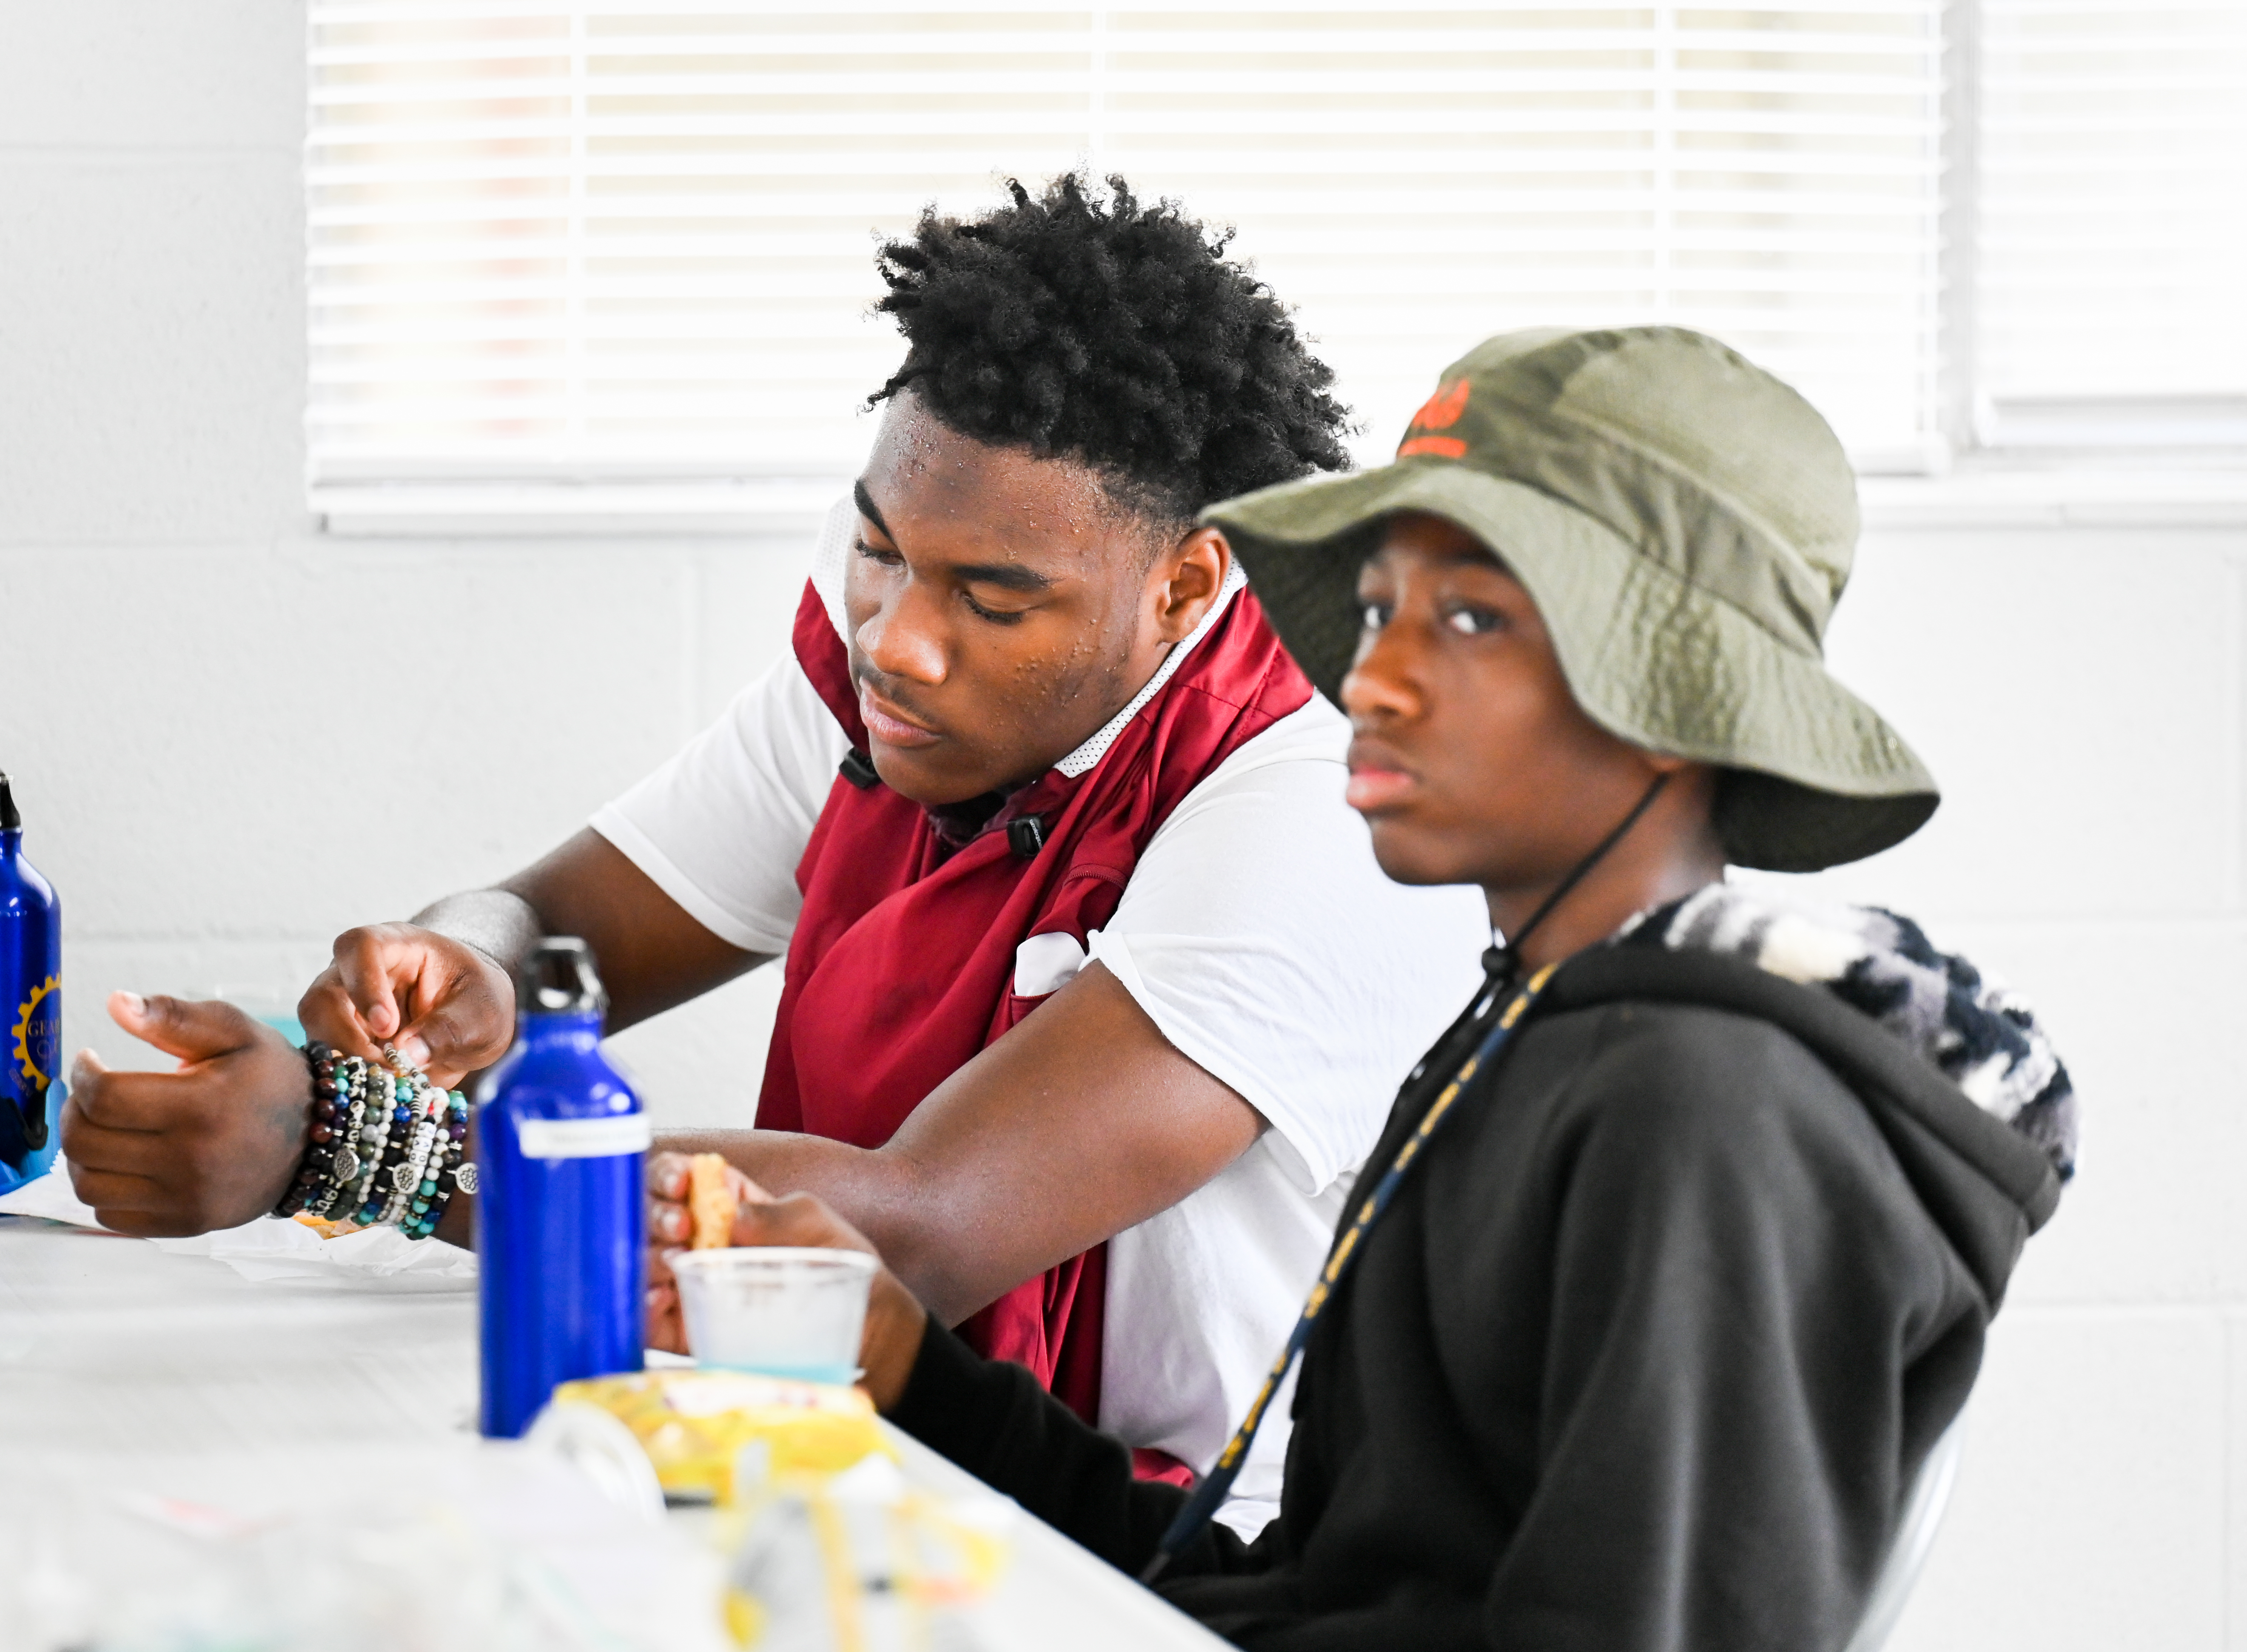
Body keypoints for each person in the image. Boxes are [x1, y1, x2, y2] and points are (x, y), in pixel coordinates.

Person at [57, 174, 1484, 1533]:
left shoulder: (1317, 796)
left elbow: (923, 1230)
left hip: (1182, 1552)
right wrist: (460, 982)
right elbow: (558, 924)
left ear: (1184, 586)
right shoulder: (894, 678)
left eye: (993, 599)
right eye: (879, 552)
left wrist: (348, 1145)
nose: (896, 638)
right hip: (873, 1461)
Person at [645, 325, 2078, 1650]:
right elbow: (1311, 1599)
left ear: (1675, 692)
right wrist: (911, 1372)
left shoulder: (1698, 1111)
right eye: (1379, 607)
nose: (1370, 679)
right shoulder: (1521, 1037)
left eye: (1466, 623)